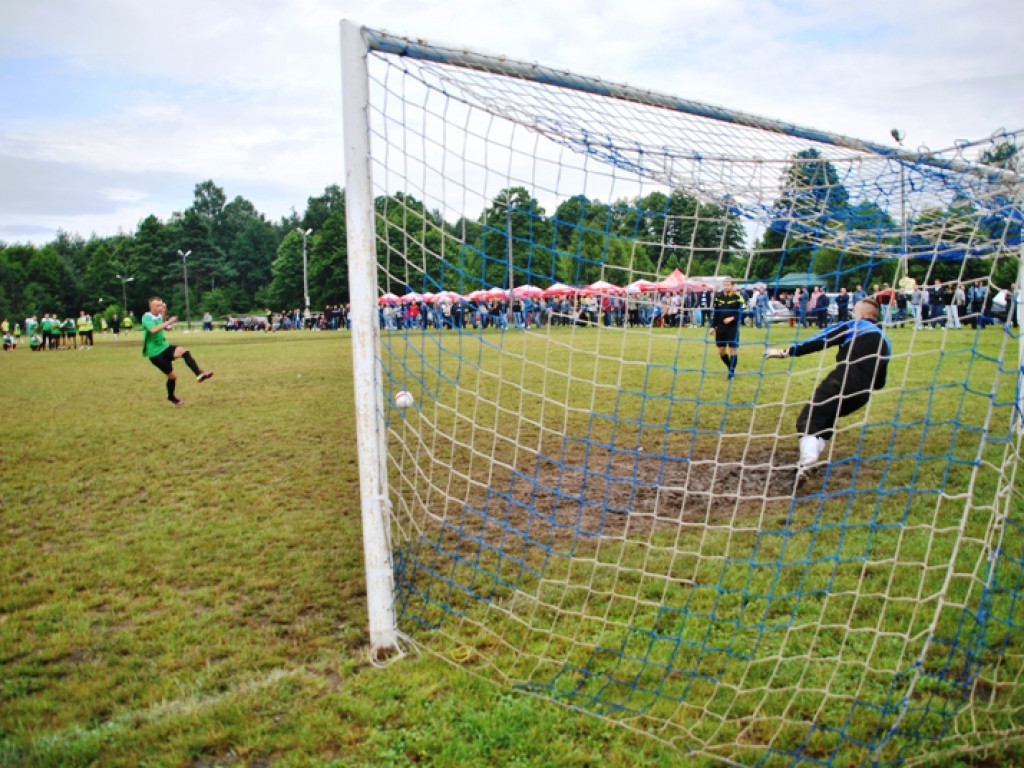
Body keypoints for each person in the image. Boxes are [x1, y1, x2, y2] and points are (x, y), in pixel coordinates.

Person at [763, 297, 891, 487]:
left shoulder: (855, 325)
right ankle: (810, 460)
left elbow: (821, 340)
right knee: (826, 418)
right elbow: (880, 383)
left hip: (842, 380)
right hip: (863, 394)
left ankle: (806, 463)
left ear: (861, 315)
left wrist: (786, 352)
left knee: (809, 418)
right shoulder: (886, 342)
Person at [142, 297, 213, 405]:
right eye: (157, 306)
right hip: (155, 354)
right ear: (150, 307)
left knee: (185, 352)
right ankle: (171, 397)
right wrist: (169, 321)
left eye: (161, 305)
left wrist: (165, 315)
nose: (160, 307)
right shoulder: (146, 317)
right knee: (172, 377)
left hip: (164, 347)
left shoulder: (159, 316)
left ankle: (199, 374)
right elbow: (153, 330)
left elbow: (163, 322)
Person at [711, 277, 743, 380]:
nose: (726, 286)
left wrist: (732, 318)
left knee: (733, 349)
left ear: (733, 285)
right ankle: (730, 368)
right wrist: (713, 326)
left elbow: (742, 312)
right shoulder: (718, 296)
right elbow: (715, 313)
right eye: (725, 285)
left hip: (732, 327)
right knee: (721, 351)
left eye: (728, 285)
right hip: (721, 327)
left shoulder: (738, 297)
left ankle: (731, 373)